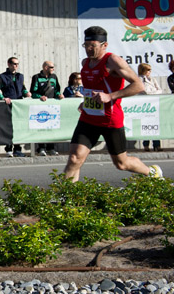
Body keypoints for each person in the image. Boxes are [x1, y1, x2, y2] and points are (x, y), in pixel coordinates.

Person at [63, 26, 162, 182]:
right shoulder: (85, 62)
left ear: (105, 45)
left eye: (93, 46)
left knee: (121, 163)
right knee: (75, 158)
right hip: (89, 118)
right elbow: (94, 88)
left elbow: (138, 86)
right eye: (86, 45)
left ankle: (152, 172)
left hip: (110, 120)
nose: (88, 49)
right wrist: (86, 102)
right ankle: (66, 193)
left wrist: (110, 96)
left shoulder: (113, 61)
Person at [0, 57, 30, 157]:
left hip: (19, 106)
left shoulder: (20, 76)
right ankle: (8, 149)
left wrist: (26, 93)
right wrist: (3, 98)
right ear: (8, 64)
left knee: (19, 128)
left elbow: (23, 89)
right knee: (9, 128)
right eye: (14, 63)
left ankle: (17, 149)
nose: (16, 66)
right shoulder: (2, 77)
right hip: (9, 106)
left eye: (17, 64)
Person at [30, 61, 63, 156]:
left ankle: (51, 148)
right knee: (41, 127)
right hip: (41, 106)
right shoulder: (36, 77)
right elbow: (33, 92)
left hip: (52, 106)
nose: (53, 69)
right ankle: (41, 148)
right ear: (45, 67)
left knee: (52, 127)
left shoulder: (54, 77)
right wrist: (40, 97)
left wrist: (59, 95)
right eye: (51, 67)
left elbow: (56, 89)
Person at [138, 63, 162, 152]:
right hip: (144, 104)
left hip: (154, 103)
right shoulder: (139, 79)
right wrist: (152, 92)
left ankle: (157, 144)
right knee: (146, 125)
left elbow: (160, 90)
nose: (149, 72)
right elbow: (143, 91)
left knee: (155, 124)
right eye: (148, 70)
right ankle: (146, 145)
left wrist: (153, 93)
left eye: (150, 70)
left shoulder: (153, 79)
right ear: (143, 70)